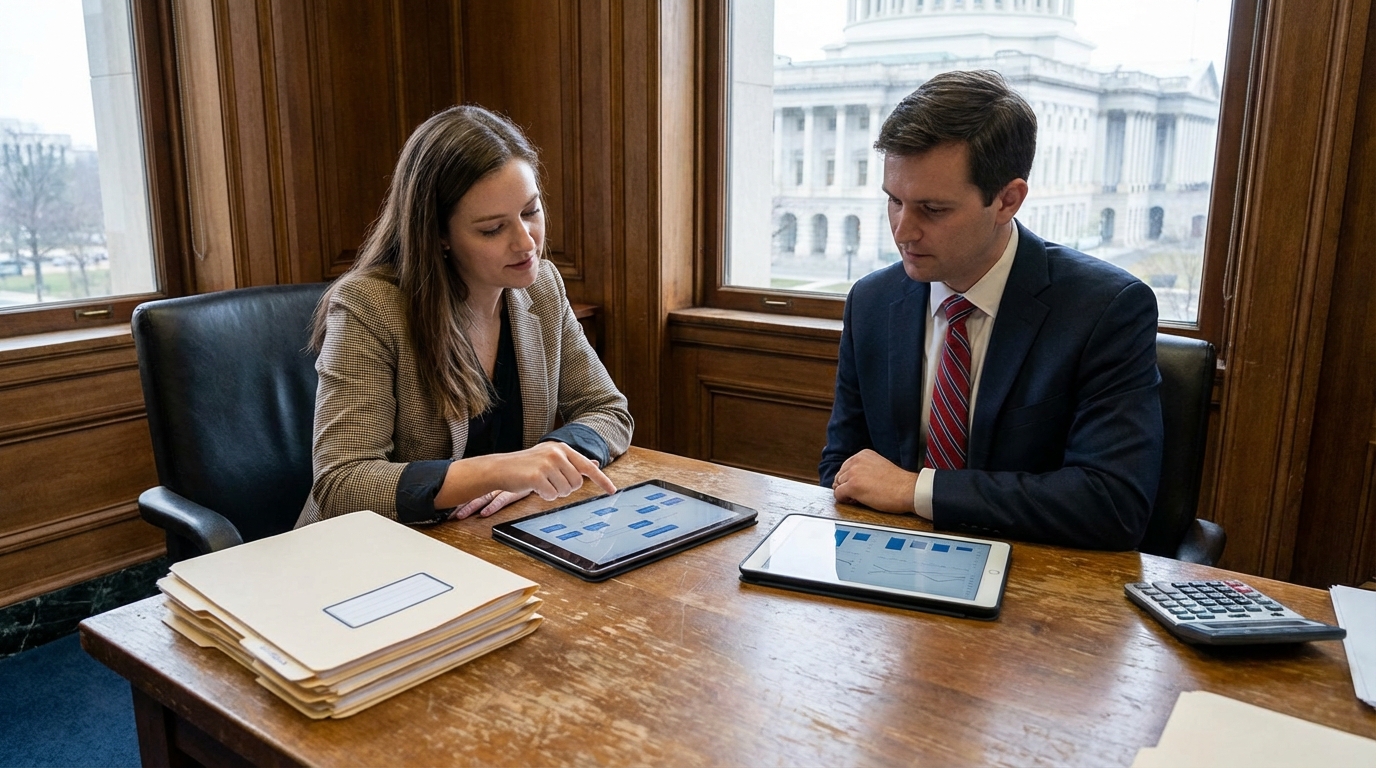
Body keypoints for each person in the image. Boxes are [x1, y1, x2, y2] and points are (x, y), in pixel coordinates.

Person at [819, 70, 1163, 550]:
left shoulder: (1105, 309)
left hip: (1039, 581)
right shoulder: (872, 301)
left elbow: (1112, 503)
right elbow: (843, 464)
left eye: (932, 209)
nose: (901, 231)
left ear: (1007, 200)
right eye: (894, 201)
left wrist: (916, 489)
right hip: (888, 567)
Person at [297, 105, 633, 528]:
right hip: (377, 556)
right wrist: (499, 470)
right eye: (493, 229)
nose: (526, 242)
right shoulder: (369, 307)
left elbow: (606, 410)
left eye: (531, 211)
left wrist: (541, 466)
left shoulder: (543, 287)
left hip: (492, 539)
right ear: (439, 235)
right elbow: (342, 482)